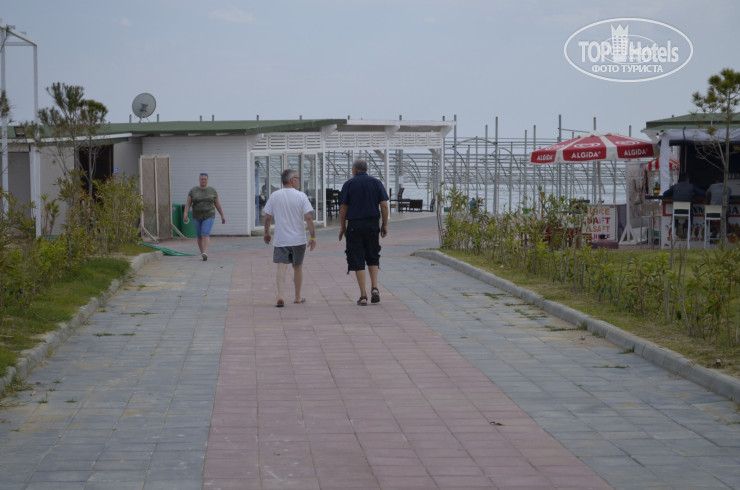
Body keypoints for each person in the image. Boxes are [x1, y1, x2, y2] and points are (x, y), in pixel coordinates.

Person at [337, 159, 389, 306]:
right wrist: (384, 225)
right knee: (373, 255)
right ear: (366, 169)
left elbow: (343, 208)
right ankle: (375, 288)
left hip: (355, 226)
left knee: (357, 257)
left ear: (354, 170)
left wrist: (343, 227)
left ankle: (363, 296)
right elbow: (384, 205)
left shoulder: (349, 184)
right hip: (372, 225)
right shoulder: (376, 183)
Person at [263, 169, 316, 307]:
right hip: (298, 239)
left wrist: (266, 232)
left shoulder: (275, 195)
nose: (298, 180)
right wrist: (313, 237)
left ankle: (280, 296)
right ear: (292, 180)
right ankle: (297, 297)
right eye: (297, 178)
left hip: (281, 239)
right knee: (297, 267)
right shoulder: (301, 196)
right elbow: (308, 217)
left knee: (281, 267)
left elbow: (268, 217)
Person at [183, 172, 226, 261]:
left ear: (207, 180)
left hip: (209, 215)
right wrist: (185, 214)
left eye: (205, 179)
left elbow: (217, 204)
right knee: (199, 236)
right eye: (202, 179)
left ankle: (205, 252)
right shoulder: (193, 190)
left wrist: (222, 215)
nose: (203, 181)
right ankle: (202, 253)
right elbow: (188, 203)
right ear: (199, 180)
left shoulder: (212, 191)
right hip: (196, 216)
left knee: (205, 234)